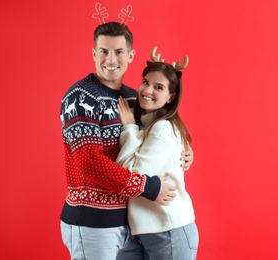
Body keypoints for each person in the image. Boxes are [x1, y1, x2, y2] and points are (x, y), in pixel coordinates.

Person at [59, 22, 194, 260]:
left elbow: (155, 135)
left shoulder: (134, 97)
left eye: (119, 51)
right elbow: (89, 163)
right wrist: (149, 187)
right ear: (94, 53)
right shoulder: (79, 97)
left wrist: (184, 150)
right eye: (103, 51)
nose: (111, 59)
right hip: (93, 222)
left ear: (130, 55)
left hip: (131, 225)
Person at [116, 55, 199, 259]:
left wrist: (128, 128)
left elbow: (132, 176)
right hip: (157, 231)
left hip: (169, 230)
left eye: (159, 87)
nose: (147, 90)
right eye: (146, 82)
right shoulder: (150, 123)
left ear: (171, 97)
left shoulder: (161, 127)